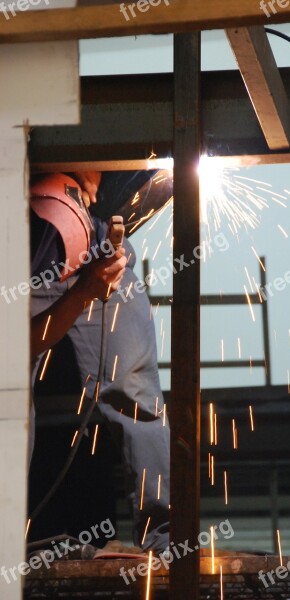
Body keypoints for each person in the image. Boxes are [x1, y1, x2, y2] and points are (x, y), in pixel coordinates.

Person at [29, 171, 170, 555]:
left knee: (135, 387)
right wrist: (86, 291)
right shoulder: (30, 250)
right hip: (43, 254)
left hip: (97, 238)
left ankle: (163, 538)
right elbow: (19, 347)